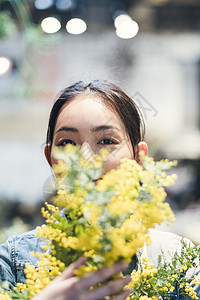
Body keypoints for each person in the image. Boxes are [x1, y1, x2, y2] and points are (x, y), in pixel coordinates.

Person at [0, 80, 199, 300]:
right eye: (67, 143)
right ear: (50, 158)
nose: (86, 159)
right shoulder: (13, 261)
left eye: (106, 140)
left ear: (138, 157)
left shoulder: (180, 261)